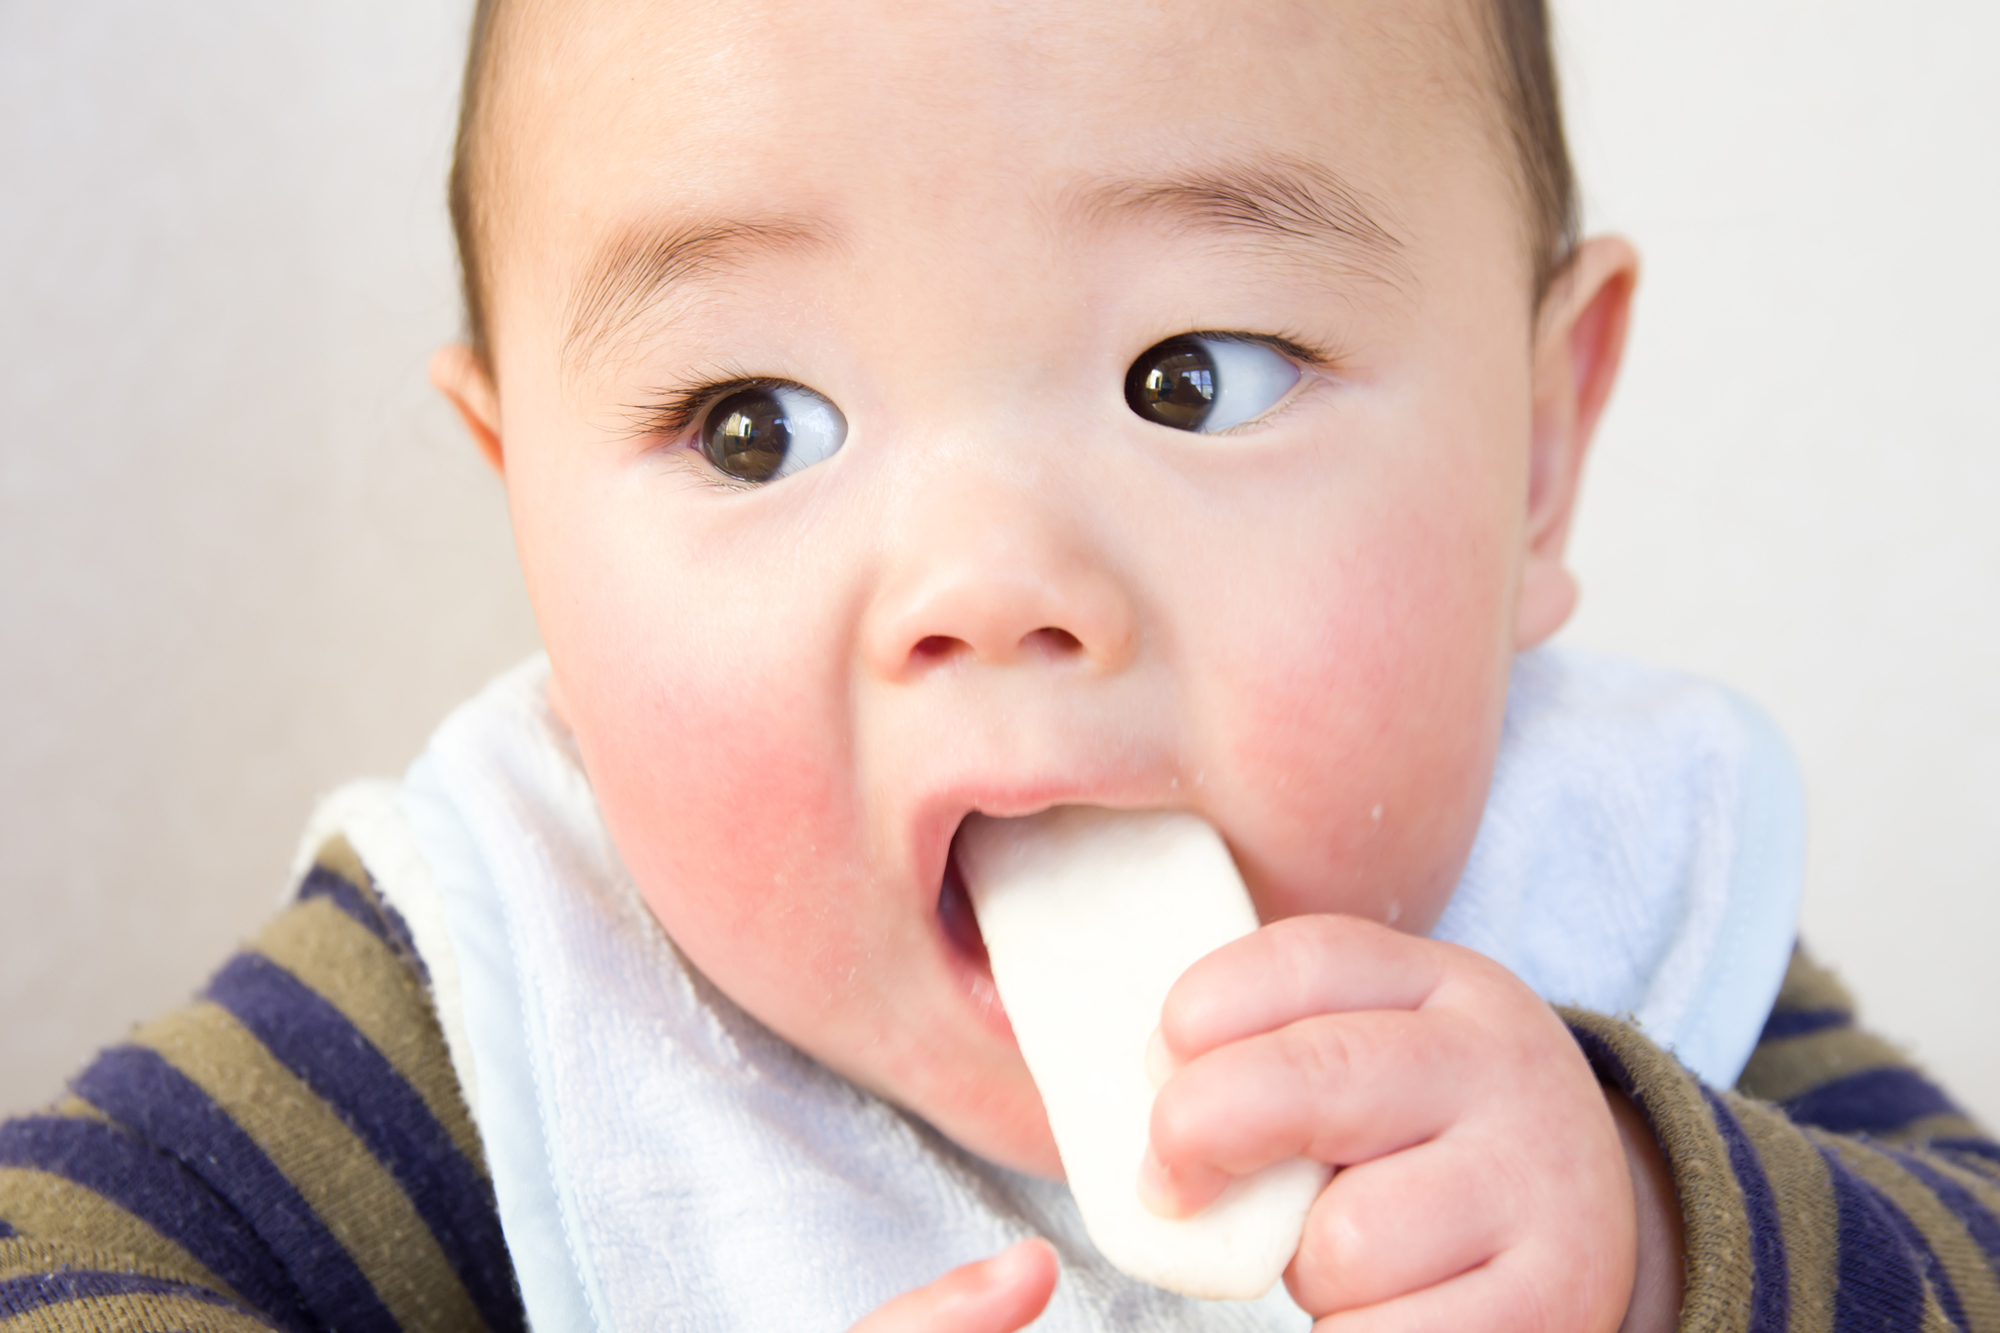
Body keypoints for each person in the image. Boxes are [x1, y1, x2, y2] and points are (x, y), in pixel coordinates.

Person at [2, 1, 1994, 1330]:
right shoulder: (506, 988)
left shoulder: (1601, 906)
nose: (989, 583)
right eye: (749, 422)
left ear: (1540, 450)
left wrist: (1662, 1243)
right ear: (529, 511)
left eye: (1186, 380)